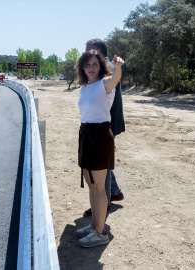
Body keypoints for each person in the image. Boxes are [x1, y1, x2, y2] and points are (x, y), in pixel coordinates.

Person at [75, 50, 124, 247]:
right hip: (86, 135)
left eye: (94, 64)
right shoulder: (85, 87)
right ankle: (95, 224)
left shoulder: (105, 84)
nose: (91, 68)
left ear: (101, 66)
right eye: (87, 65)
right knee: (91, 184)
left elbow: (114, 80)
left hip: (99, 136)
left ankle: (100, 232)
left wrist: (118, 68)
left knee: (99, 187)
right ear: (82, 68)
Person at [83, 39, 125, 217]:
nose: (87, 55)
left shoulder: (105, 66)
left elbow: (109, 88)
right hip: (105, 120)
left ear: (97, 51)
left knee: (101, 165)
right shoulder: (102, 65)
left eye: (89, 51)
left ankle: (104, 202)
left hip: (105, 123)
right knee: (103, 164)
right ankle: (114, 192)